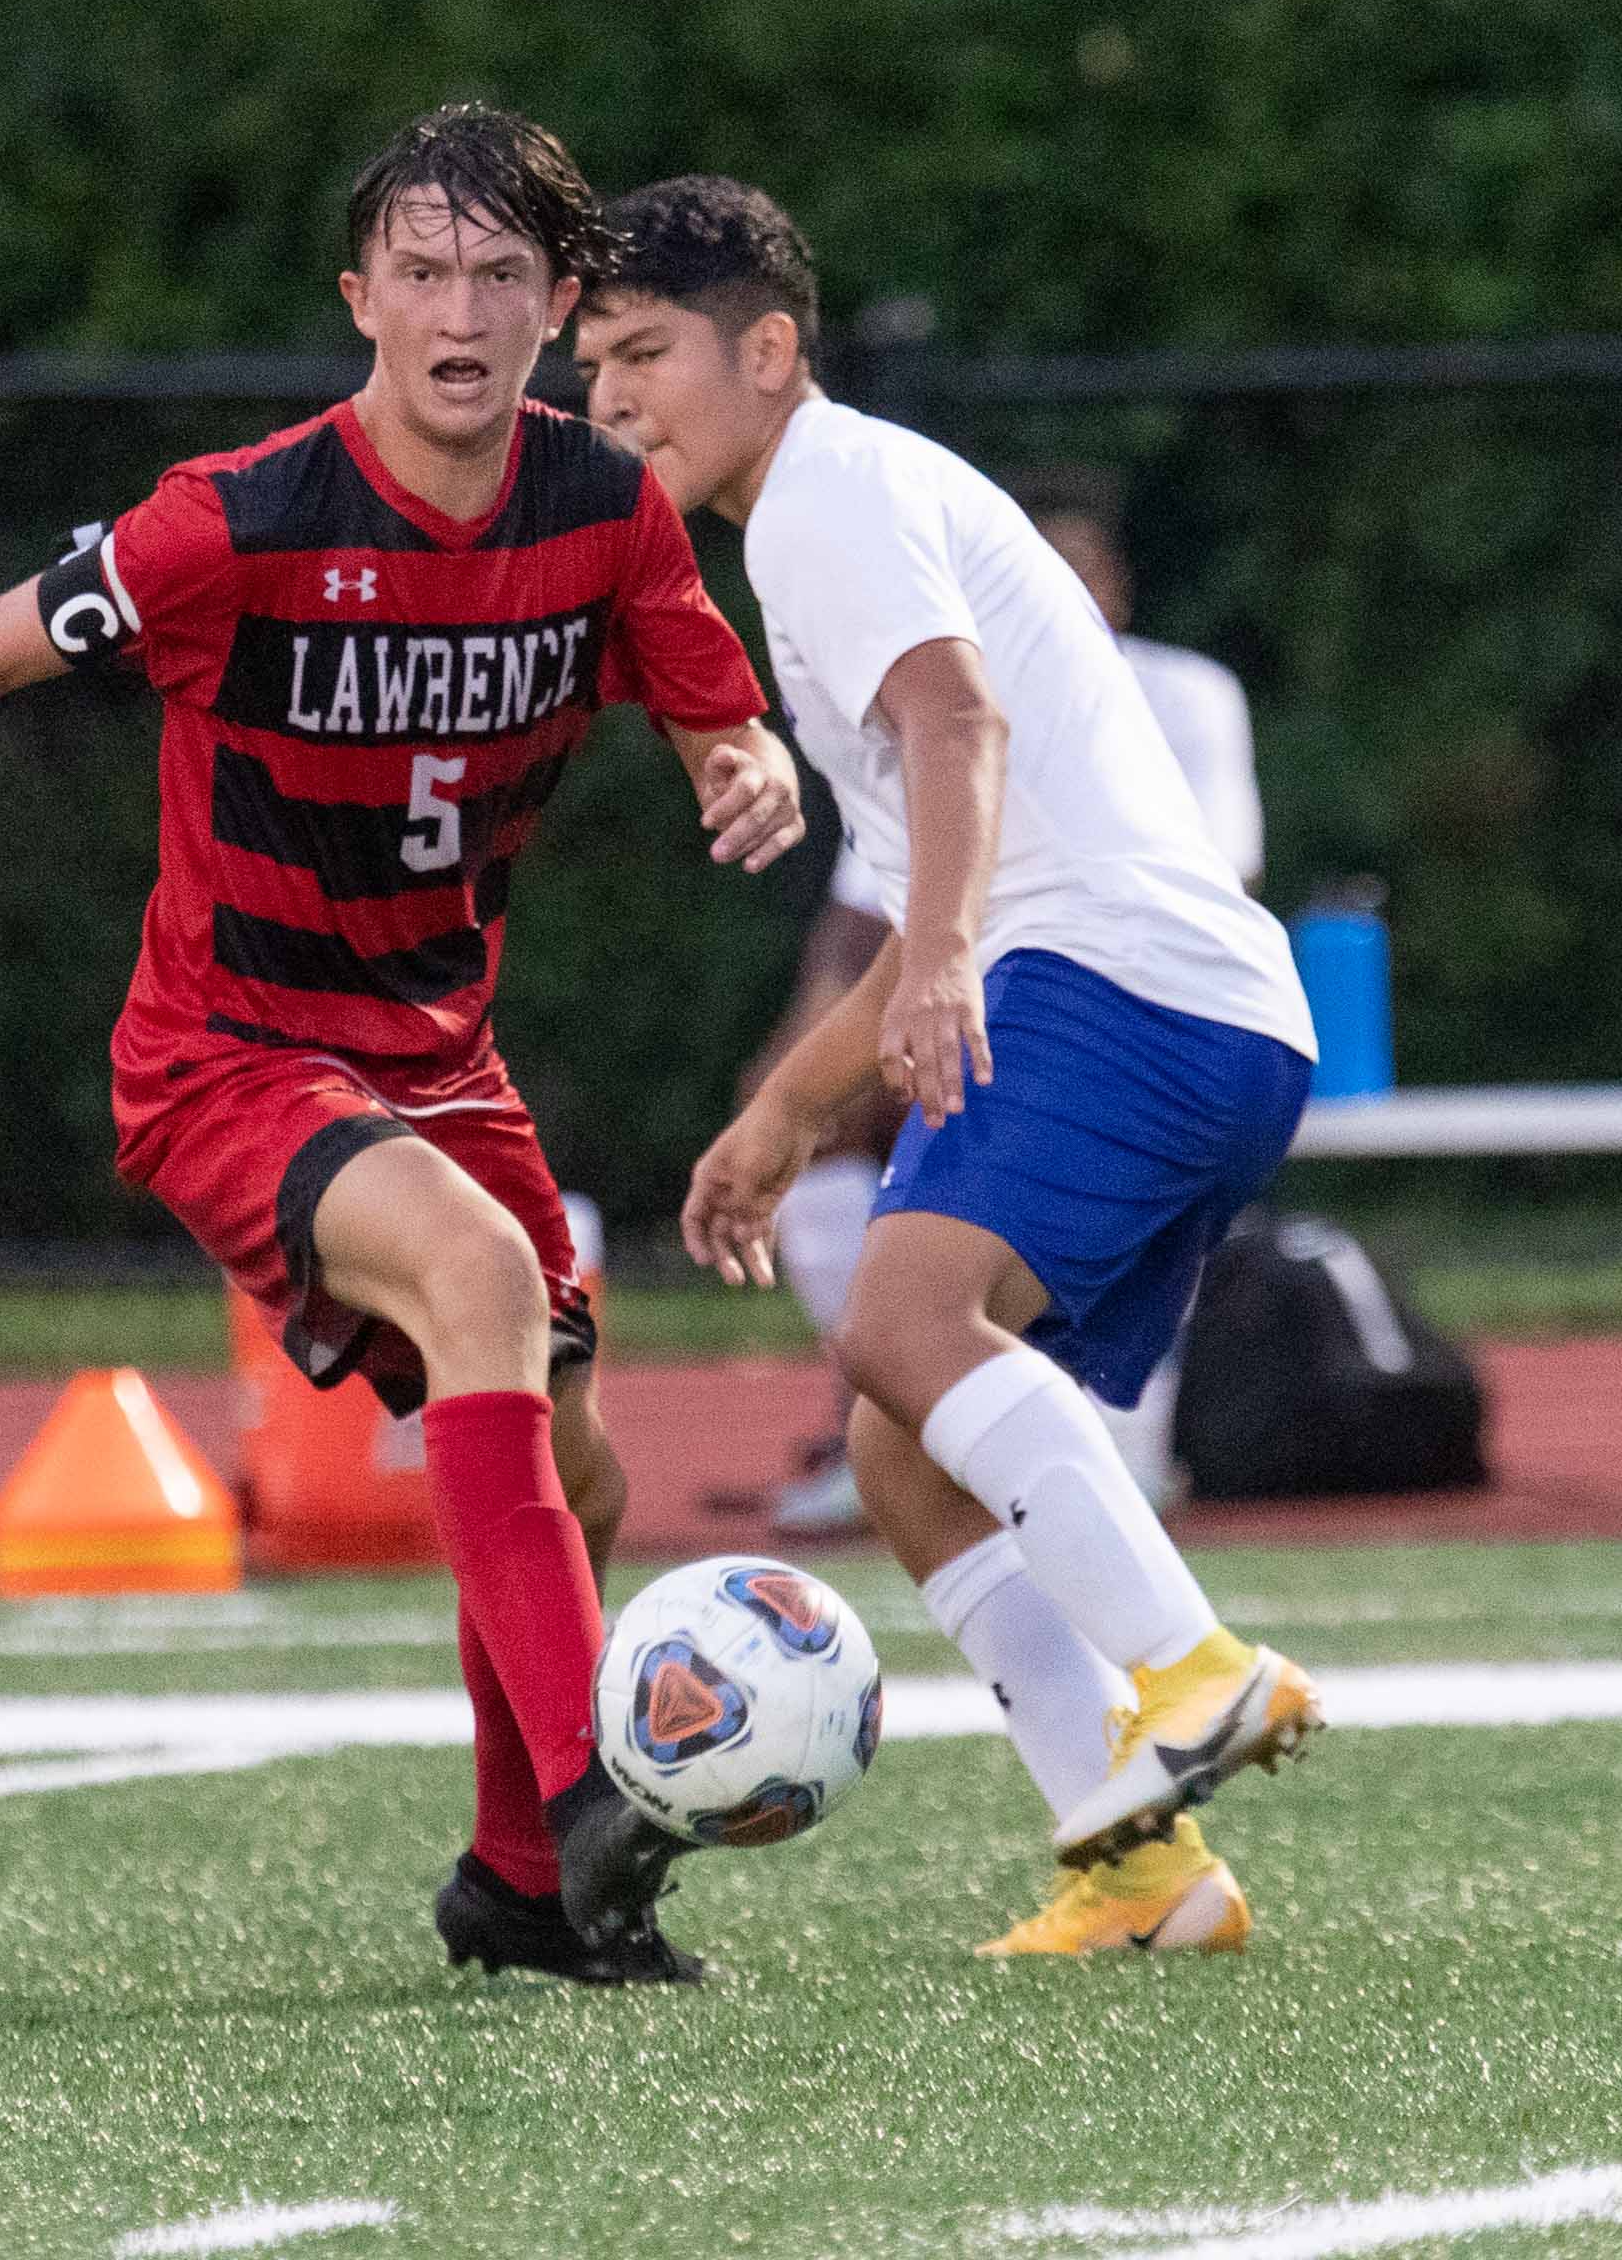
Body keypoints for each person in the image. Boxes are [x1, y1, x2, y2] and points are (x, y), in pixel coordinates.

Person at [0, 107, 802, 1987]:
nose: (460, 310)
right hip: (231, 1051)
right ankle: (586, 1797)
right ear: (357, 297)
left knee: (585, 1474)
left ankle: (514, 1887)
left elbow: (714, 708)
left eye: (503, 276)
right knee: (470, 1281)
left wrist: (742, 760)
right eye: (425, 272)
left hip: (442, 1058)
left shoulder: (603, 507)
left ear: (556, 309)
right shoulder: (238, 520)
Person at [576, 175, 1322, 1961]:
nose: (608, 399)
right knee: (902, 1448)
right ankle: (1137, 1860)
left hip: (1127, 983)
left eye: (644, 353)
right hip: (1193, 1001)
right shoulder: (813, 517)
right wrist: (775, 1116)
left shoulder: (828, 492)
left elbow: (958, 731)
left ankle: (1197, 1669)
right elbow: (930, 853)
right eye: (588, 365)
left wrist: (942, 956)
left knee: (901, 1326)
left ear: (769, 351)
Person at [757, 468, 1266, 1533]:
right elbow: (858, 934)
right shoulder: (932, 708)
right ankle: (891, 1416)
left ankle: (1116, 1449)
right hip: (967, 1014)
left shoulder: (1178, 696)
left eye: (1082, 570)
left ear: (1117, 587)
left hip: (1131, 1010)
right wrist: (789, 1090)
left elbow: (1207, 890)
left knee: (1076, 1109)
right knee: (816, 1117)